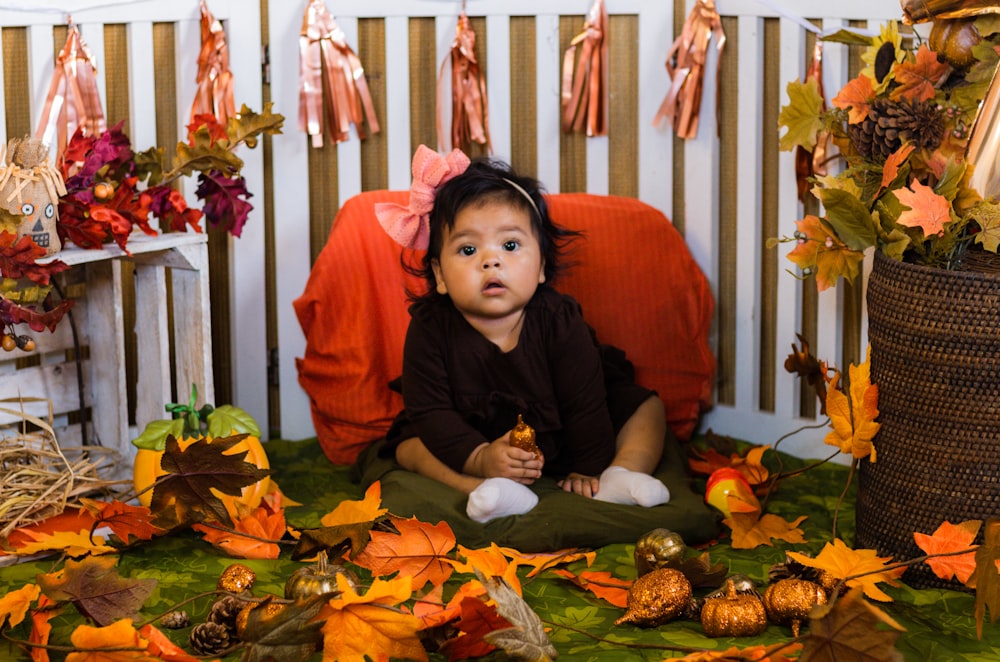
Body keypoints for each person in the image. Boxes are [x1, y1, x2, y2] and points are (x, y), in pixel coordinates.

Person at [375, 145, 671, 523]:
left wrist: (590, 467)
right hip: (468, 442)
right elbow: (431, 412)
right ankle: (482, 490)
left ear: (542, 266)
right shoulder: (431, 327)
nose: (491, 260)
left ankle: (623, 472)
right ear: (439, 276)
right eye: (468, 249)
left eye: (510, 245)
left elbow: (586, 402)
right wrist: (481, 459)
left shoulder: (559, 321)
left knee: (647, 409)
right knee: (410, 446)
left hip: (567, 434)